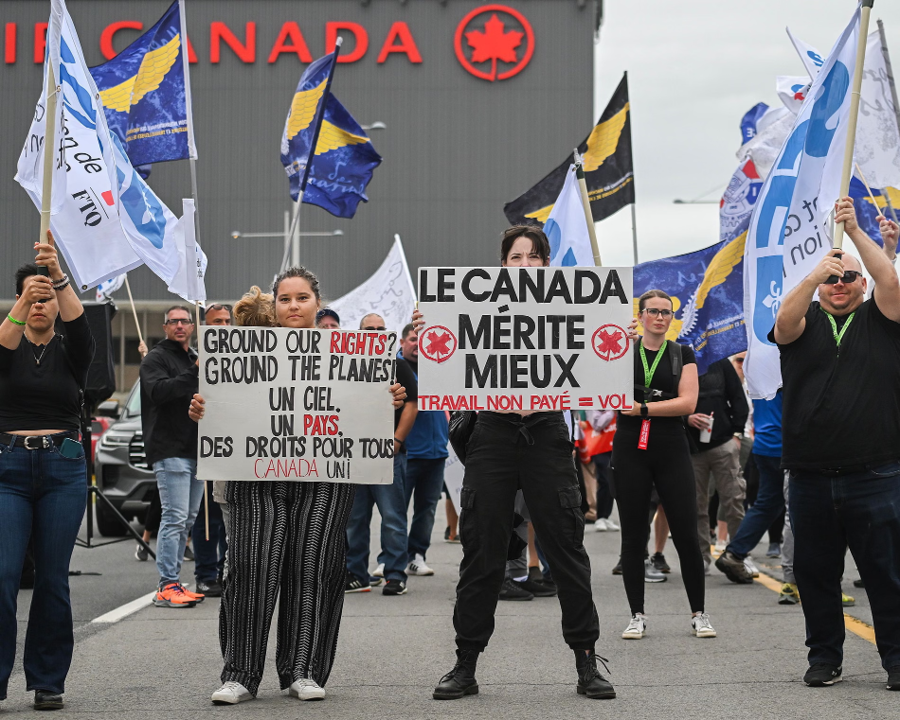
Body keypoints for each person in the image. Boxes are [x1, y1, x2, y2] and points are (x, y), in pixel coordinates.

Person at [418, 225, 617, 701]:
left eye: (533, 258)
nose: (524, 265)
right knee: (482, 552)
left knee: (567, 550)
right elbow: (447, 363)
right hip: (492, 432)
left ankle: (587, 662)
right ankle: (465, 663)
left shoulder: (574, 309)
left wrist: (618, 335)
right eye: (515, 257)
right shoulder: (476, 308)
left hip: (547, 433)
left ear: (547, 267)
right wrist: (432, 332)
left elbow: (603, 366)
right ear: (501, 265)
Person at [190, 275, 407, 704]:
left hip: (325, 474)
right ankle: (240, 674)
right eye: (285, 299)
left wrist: (389, 400)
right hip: (256, 474)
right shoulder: (244, 353)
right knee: (251, 568)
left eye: (302, 298)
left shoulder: (350, 354)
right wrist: (202, 408)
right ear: (274, 305)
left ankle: (303, 669)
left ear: (317, 303)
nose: (293, 306)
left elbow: (363, 413)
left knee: (314, 569)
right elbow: (220, 407)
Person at [769, 198, 900, 690]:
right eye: (831, 279)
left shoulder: (883, 319)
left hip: (877, 473)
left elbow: (890, 281)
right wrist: (813, 273)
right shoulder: (801, 325)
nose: (839, 285)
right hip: (809, 476)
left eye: (847, 278)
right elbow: (784, 322)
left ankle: (897, 659)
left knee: (888, 576)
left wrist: (855, 233)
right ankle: (824, 657)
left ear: (860, 285)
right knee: (818, 577)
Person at [0, 239, 95, 711]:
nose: (40, 305)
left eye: (46, 300)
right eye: (29, 298)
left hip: (62, 467)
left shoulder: (71, 350)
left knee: (54, 578)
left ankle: (47, 680)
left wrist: (56, 275)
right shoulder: (7, 343)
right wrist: (25, 296)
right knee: (3, 573)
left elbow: (80, 326)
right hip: (7, 468)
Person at [613, 289, 714, 641]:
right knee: (633, 534)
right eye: (653, 311)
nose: (660, 317)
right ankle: (636, 614)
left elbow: (688, 403)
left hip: (670, 446)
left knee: (686, 532)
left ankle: (699, 613)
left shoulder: (681, 353)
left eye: (666, 312)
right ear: (640, 315)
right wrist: (616, 343)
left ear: (672, 318)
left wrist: (642, 408)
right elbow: (603, 386)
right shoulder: (623, 348)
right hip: (629, 447)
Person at [345, 313, 418, 596]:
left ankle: (395, 574)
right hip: (355, 455)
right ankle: (357, 574)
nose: (374, 333)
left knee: (393, 517)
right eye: (368, 329)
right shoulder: (347, 365)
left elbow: (412, 405)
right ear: (358, 332)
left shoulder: (397, 365)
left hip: (389, 455)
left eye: (379, 329)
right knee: (354, 518)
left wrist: (397, 440)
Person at [140, 306, 205, 609]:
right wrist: (195, 373)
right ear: (165, 327)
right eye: (173, 321)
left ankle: (175, 582)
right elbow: (158, 392)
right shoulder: (156, 358)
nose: (179, 325)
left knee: (187, 519)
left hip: (196, 450)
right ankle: (167, 585)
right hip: (169, 449)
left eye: (185, 320)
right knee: (175, 517)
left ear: (192, 326)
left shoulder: (193, 358)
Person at [686, 357, 749, 574]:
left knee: (734, 500)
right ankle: (701, 557)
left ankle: (739, 553)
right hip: (692, 448)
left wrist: (737, 433)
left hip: (723, 443)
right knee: (696, 505)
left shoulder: (720, 362)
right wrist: (687, 418)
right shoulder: (678, 360)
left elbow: (738, 397)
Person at [398, 322, 449, 577]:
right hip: (408, 451)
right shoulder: (396, 369)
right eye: (412, 339)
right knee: (397, 510)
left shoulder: (438, 367)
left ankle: (416, 555)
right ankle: (394, 560)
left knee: (426, 509)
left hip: (436, 451)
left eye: (422, 340)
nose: (418, 345)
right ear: (402, 342)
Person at [190, 303, 233, 597]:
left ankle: (226, 570)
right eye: (216, 321)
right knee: (208, 518)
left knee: (233, 516)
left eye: (227, 321)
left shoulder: (247, 355)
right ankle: (206, 574)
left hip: (240, 449)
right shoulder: (194, 362)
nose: (223, 326)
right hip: (206, 449)